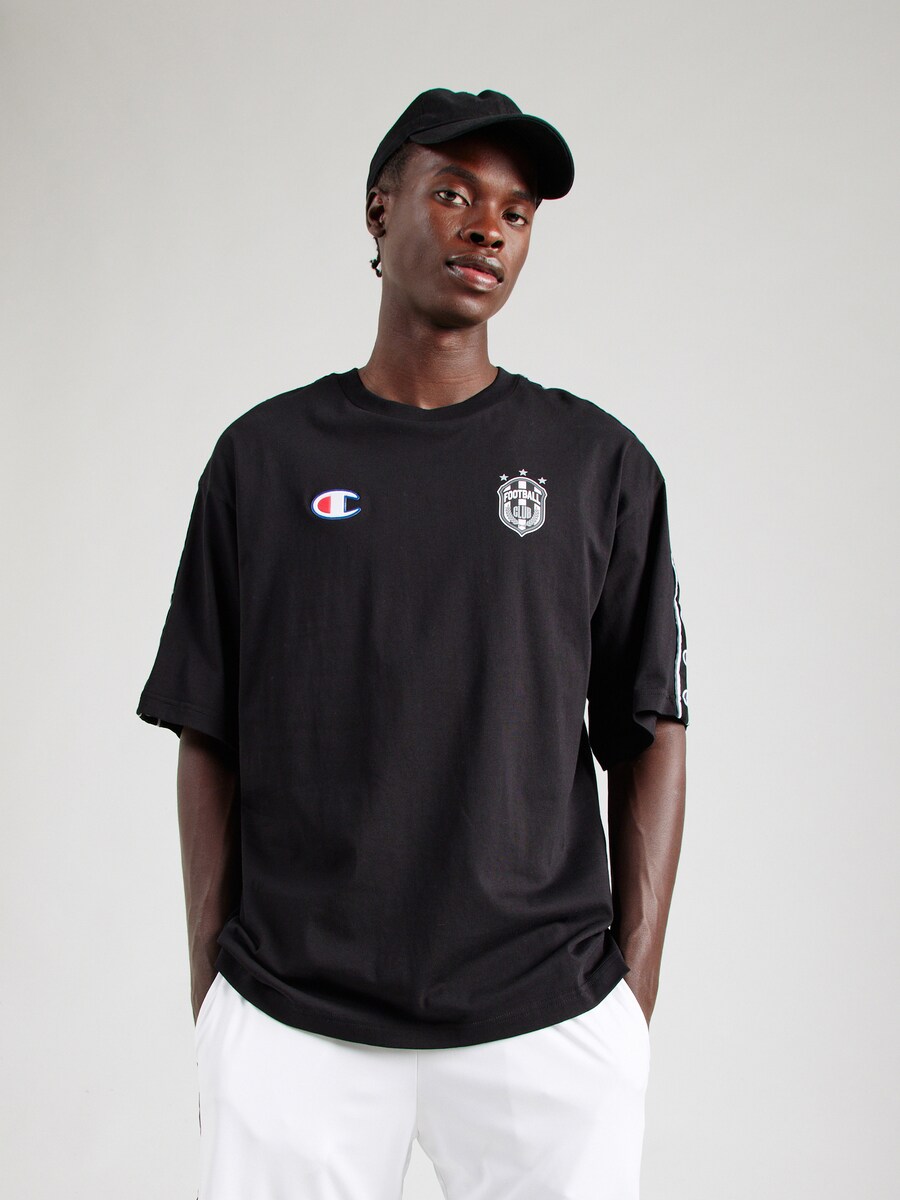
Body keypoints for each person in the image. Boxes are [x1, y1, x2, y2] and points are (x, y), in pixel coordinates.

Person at [136, 87, 689, 1200]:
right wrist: (216, 999)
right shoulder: (264, 460)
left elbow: (652, 727)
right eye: (454, 195)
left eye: (516, 212)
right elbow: (208, 731)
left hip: (544, 1012)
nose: (489, 229)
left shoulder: (597, 466)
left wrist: (628, 1000)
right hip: (295, 1017)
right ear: (379, 210)